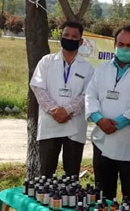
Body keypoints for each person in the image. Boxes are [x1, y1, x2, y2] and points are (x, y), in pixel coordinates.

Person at [86, 26, 130, 207]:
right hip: (102, 142)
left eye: (129, 46)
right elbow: (90, 95)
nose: (124, 49)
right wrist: (98, 119)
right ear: (114, 45)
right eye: (120, 44)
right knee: (103, 197)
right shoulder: (102, 69)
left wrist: (121, 121)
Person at [30, 21, 95, 179]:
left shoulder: (88, 68)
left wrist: (67, 110)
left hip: (74, 127)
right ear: (60, 37)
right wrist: (55, 110)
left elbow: (88, 94)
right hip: (50, 125)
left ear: (81, 41)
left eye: (74, 37)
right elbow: (38, 88)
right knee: (45, 175)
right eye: (66, 35)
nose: (69, 39)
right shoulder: (46, 61)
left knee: (71, 177)